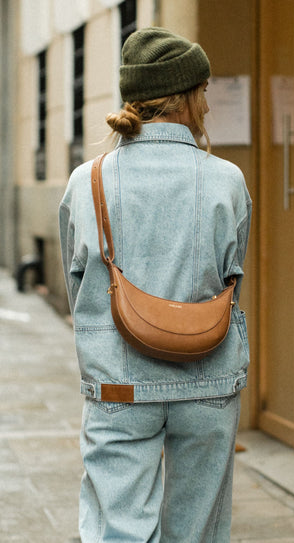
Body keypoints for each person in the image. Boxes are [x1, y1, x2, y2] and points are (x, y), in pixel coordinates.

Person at [59, 27, 252, 543]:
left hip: (119, 383)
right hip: (208, 378)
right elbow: (233, 276)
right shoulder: (227, 180)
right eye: (204, 93)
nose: (208, 107)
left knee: (116, 531)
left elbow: (76, 286)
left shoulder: (88, 181)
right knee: (198, 534)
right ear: (186, 99)